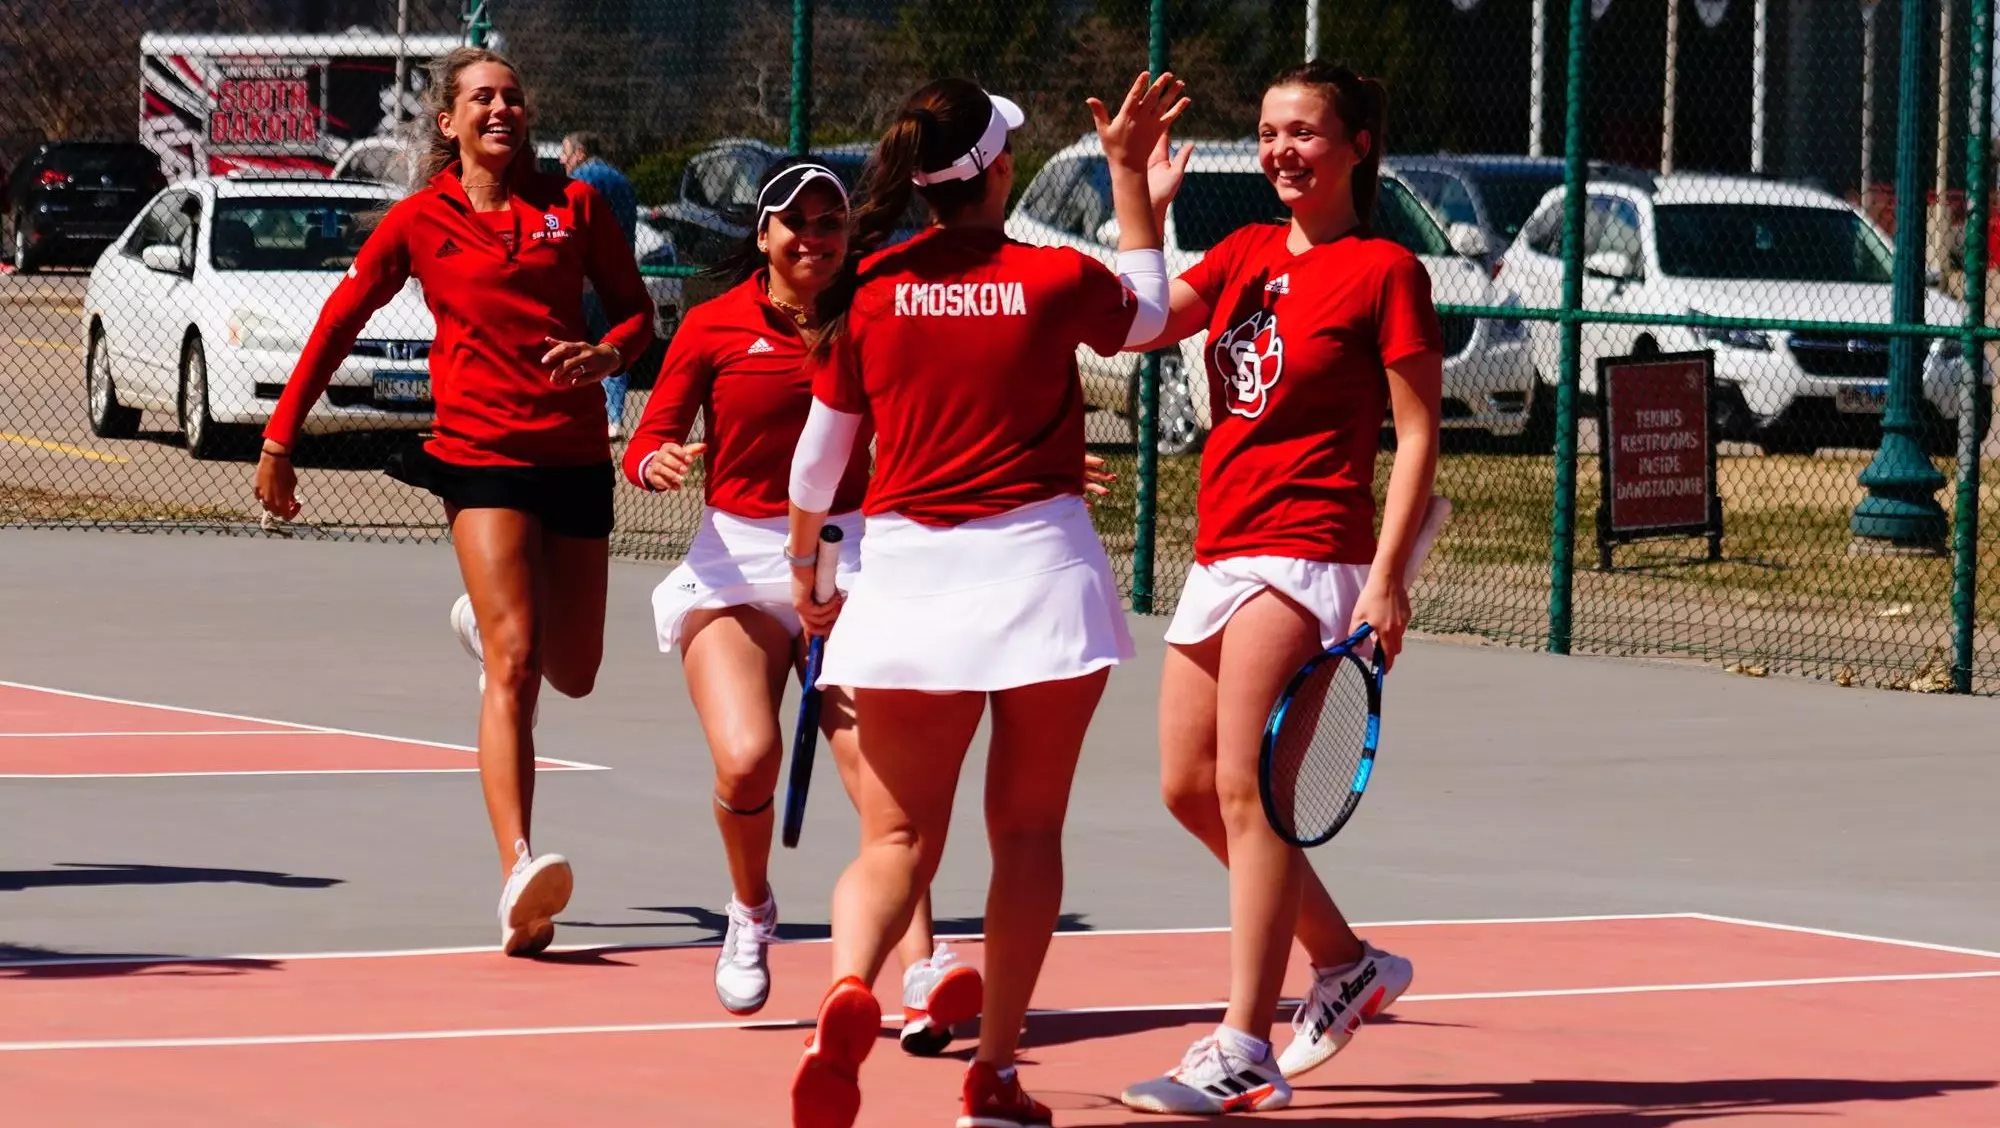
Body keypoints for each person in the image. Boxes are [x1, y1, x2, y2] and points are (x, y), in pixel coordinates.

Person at [783, 73, 1189, 1128]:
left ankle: (847, 990)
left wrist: (809, 581)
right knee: (1026, 833)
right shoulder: (1050, 277)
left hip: (908, 579)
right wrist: (1129, 183)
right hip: (1038, 575)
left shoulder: (868, 291)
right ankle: (994, 1075)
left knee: (893, 841)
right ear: (996, 169)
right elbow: (1148, 318)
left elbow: (814, 478)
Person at [254, 47, 653, 958]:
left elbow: (636, 315)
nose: (502, 108)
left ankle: (486, 621)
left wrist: (607, 356)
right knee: (516, 664)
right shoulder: (416, 223)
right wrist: (281, 438)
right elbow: (339, 320)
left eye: (514, 95)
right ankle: (518, 871)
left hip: (574, 455)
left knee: (576, 668)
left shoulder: (576, 207)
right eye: (483, 98)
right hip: (480, 457)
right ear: (449, 122)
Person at [1116, 61, 1442, 1115]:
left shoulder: (1386, 269)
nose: (1279, 151)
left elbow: (1418, 434)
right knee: (1184, 788)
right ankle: (1344, 965)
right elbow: (1139, 320)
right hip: (1222, 545)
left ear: (1354, 146)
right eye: (1265, 132)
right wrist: (1134, 188)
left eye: (1302, 132)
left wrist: (1385, 581)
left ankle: (1241, 1044)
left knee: (1249, 793)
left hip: (1308, 553)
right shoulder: (1246, 253)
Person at [620, 157, 982, 1055]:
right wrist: (654, 463)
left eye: (830, 222)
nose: (813, 237)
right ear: (764, 234)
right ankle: (750, 909)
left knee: (883, 783)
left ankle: (923, 970)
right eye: (796, 221)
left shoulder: (881, 313)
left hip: (856, 557)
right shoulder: (710, 326)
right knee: (748, 762)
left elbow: (955, 409)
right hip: (738, 562)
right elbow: (649, 439)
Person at [560, 131, 641, 439]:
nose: (561, 159)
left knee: (575, 343)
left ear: (580, 153)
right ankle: (614, 418)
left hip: (585, 276)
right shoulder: (620, 179)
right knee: (613, 345)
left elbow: (573, 221)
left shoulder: (583, 178)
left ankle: (576, 416)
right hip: (618, 274)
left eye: (565, 152)